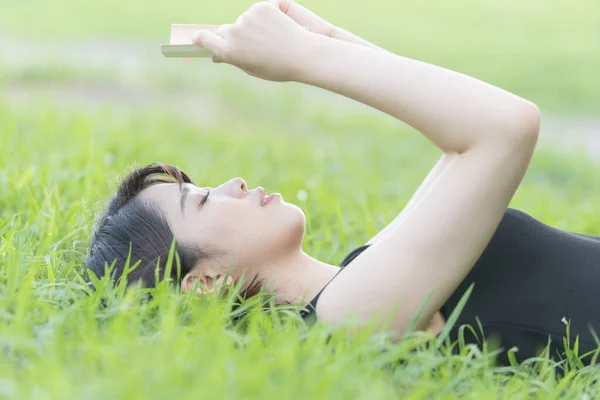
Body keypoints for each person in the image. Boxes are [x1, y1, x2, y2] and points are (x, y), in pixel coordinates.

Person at [85, 0, 600, 365]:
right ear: (204, 284)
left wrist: (321, 39)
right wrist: (304, 61)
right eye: (199, 201)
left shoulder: (365, 270)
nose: (234, 183)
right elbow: (502, 128)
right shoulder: (344, 320)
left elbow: (454, 141)